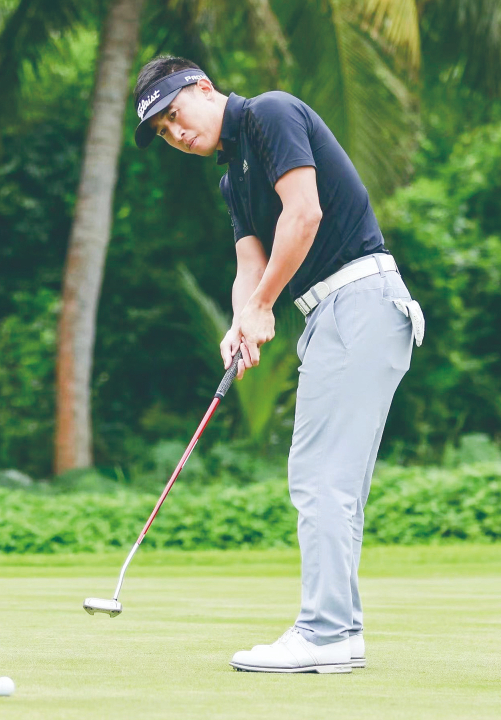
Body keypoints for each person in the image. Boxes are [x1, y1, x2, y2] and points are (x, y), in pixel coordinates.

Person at [132, 56, 424, 674]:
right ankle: (338, 631)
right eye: (163, 133)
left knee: (319, 476)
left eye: (174, 116)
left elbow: (305, 213)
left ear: (203, 89)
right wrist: (242, 322)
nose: (176, 135)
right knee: (327, 478)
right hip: (333, 313)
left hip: (359, 298)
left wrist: (265, 303)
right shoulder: (232, 179)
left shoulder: (269, 113)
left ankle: (323, 633)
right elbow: (248, 262)